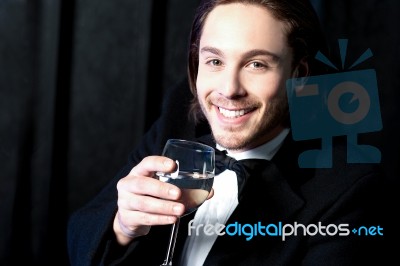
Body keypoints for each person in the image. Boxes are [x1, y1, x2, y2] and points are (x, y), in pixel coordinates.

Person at [67, 0, 387, 265]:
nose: (229, 90)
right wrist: (122, 227)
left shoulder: (350, 189)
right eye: (215, 61)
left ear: (298, 74)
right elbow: (79, 237)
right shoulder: (179, 118)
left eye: (257, 64)